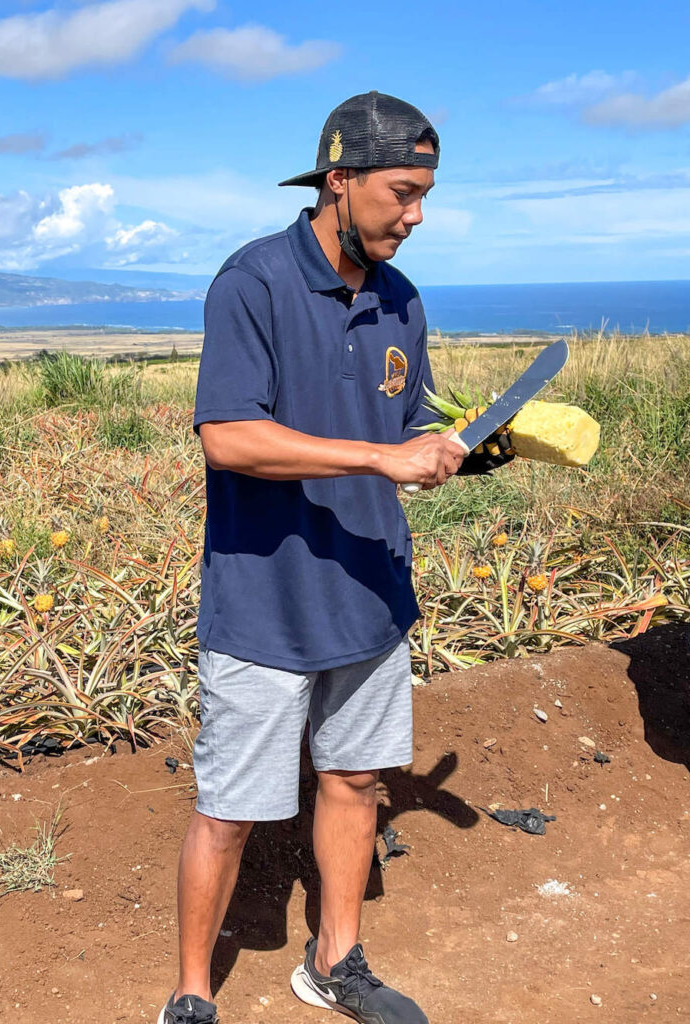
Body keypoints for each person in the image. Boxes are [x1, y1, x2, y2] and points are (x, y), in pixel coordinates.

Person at [157, 90, 512, 1024]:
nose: (417, 215)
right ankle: (192, 995)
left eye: (426, 194)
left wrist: (478, 444)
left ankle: (336, 962)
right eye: (401, 191)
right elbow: (228, 438)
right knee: (230, 810)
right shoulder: (254, 282)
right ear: (340, 181)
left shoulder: (402, 301)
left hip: (368, 595)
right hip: (264, 602)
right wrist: (378, 456)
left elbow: (406, 427)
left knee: (356, 782)